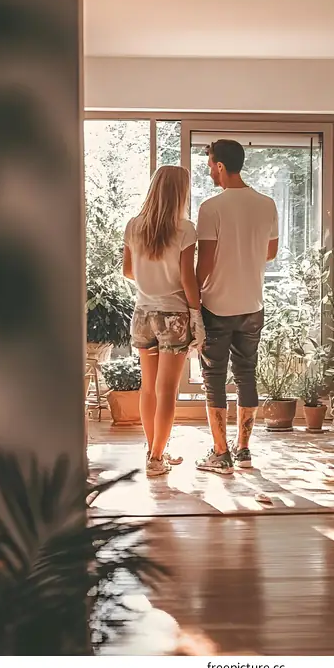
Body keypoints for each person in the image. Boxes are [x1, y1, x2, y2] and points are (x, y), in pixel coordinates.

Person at [195, 139, 279, 475]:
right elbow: (269, 253)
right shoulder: (267, 204)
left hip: (217, 304)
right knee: (246, 374)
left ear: (218, 165)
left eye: (209, 164)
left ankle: (221, 454)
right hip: (252, 304)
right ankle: (244, 451)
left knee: (213, 378)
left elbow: (205, 262)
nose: (208, 171)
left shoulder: (211, 208)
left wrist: (192, 298)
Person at [123, 166, 205, 477]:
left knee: (148, 388)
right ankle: (157, 456)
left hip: (142, 314)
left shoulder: (133, 226)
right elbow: (187, 278)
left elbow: (128, 271)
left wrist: (149, 278)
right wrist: (197, 316)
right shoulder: (185, 229)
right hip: (174, 316)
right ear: (180, 193)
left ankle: (154, 450)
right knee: (167, 389)